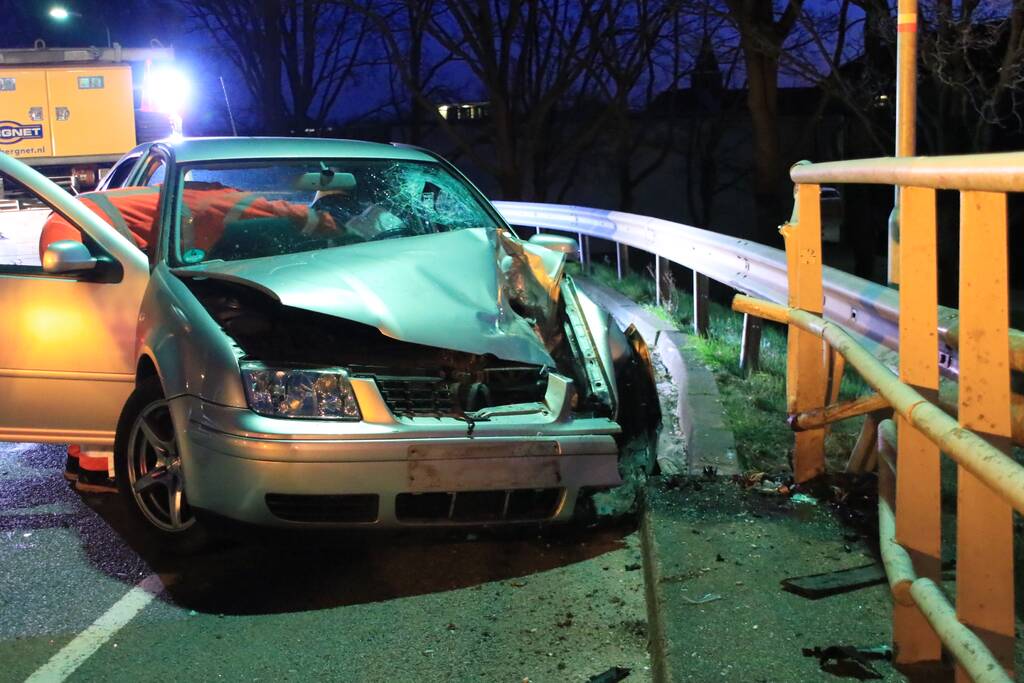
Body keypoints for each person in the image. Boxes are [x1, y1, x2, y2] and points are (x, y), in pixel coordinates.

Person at [42, 183, 338, 492]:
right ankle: (98, 473)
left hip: (71, 222)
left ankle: (80, 463)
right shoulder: (228, 200)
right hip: (76, 235)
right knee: (110, 354)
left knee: (97, 351)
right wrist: (335, 225)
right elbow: (286, 213)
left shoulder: (192, 193)